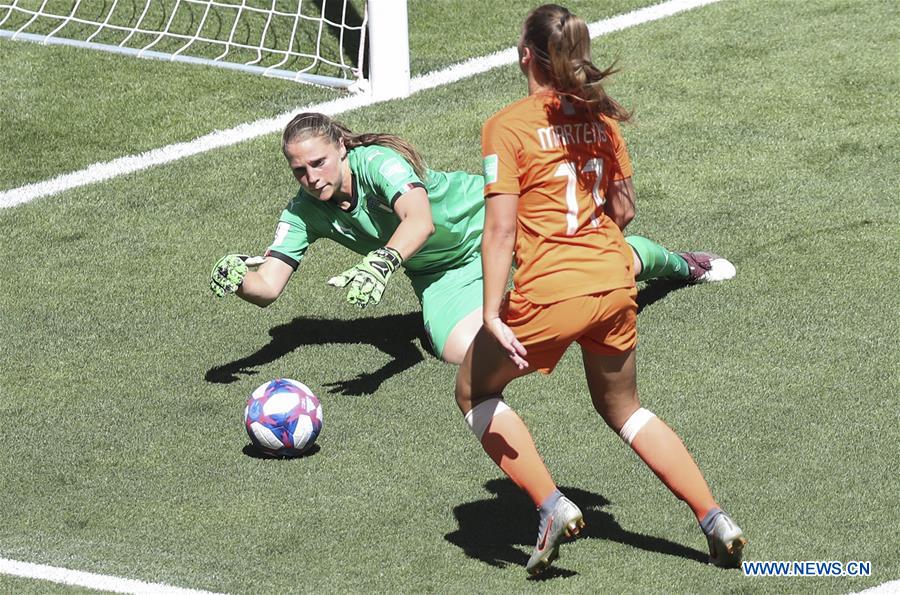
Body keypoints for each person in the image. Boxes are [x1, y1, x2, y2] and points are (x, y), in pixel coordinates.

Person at [454, 4, 746, 576]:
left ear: (525, 56)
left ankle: (552, 504)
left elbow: (500, 228)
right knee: (625, 408)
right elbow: (624, 210)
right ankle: (714, 518)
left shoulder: (506, 126)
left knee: (471, 391)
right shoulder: (603, 121)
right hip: (615, 283)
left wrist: (491, 313)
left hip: (550, 293)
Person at [209, 112, 735, 366]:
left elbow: (420, 221)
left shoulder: (378, 163)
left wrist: (381, 262)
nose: (310, 177)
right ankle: (530, 312)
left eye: (318, 162)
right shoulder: (303, 212)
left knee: (604, 267)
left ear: (342, 150)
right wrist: (240, 280)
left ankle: (670, 261)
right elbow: (269, 286)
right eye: (298, 169)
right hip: (439, 275)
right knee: (463, 353)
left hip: (495, 226)